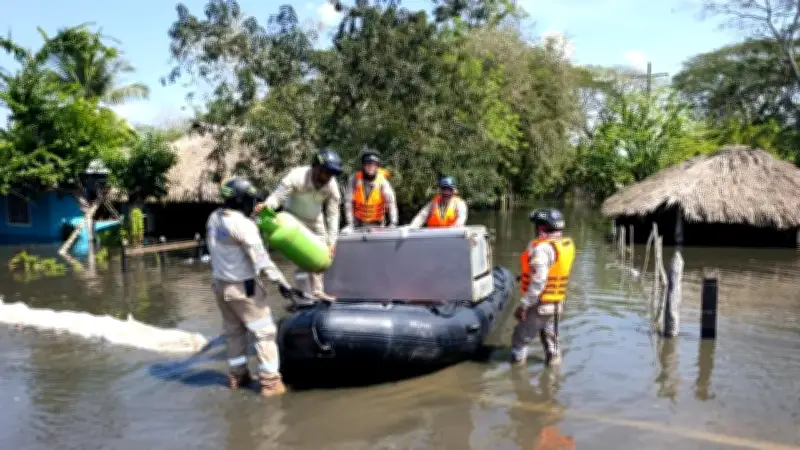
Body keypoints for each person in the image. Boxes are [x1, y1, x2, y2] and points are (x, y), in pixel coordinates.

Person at [206, 177, 294, 397]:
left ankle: (238, 375)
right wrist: (282, 282)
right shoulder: (244, 226)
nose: (252, 204)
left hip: (220, 286)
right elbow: (262, 261)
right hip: (243, 288)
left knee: (234, 332)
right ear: (239, 200)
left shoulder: (213, 218)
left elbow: (232, 238)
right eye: (248, 200)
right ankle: (271, 384)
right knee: (265, 332)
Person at [254, 148, 343, 301]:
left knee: (322, 258)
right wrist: (267, 206)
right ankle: (304, 296)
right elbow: (278, 197)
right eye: (325, 172)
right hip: (294, 219)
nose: (328, 177)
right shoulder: (297, 176)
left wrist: (332, 241)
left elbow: (333, 214)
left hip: (316, 221)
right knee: (302, 260)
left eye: (331, 174)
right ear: (316, 166)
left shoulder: (332, 185)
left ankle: (318, 293)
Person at [511, 208, 575, 367]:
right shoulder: (564, 245)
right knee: (552, 345)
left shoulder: (542, 249)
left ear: (541, 228)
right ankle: (553, 383)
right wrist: (524, 276)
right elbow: (552, 270)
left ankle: (517, 377)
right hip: (556, 303)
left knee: (519, 339)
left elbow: (539, 281)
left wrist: (524, 305)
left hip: (539, 304)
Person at [343, 150, 398, 229]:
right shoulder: (354, 179)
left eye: (374, 164)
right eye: (368, 164)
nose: (371, 167)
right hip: (357, 223)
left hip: (377, 223)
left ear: (377, 166)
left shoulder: (383, 181)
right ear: (363, 165)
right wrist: (350, 223)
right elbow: (348, 202)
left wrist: (393, 222)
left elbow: (391, 203)